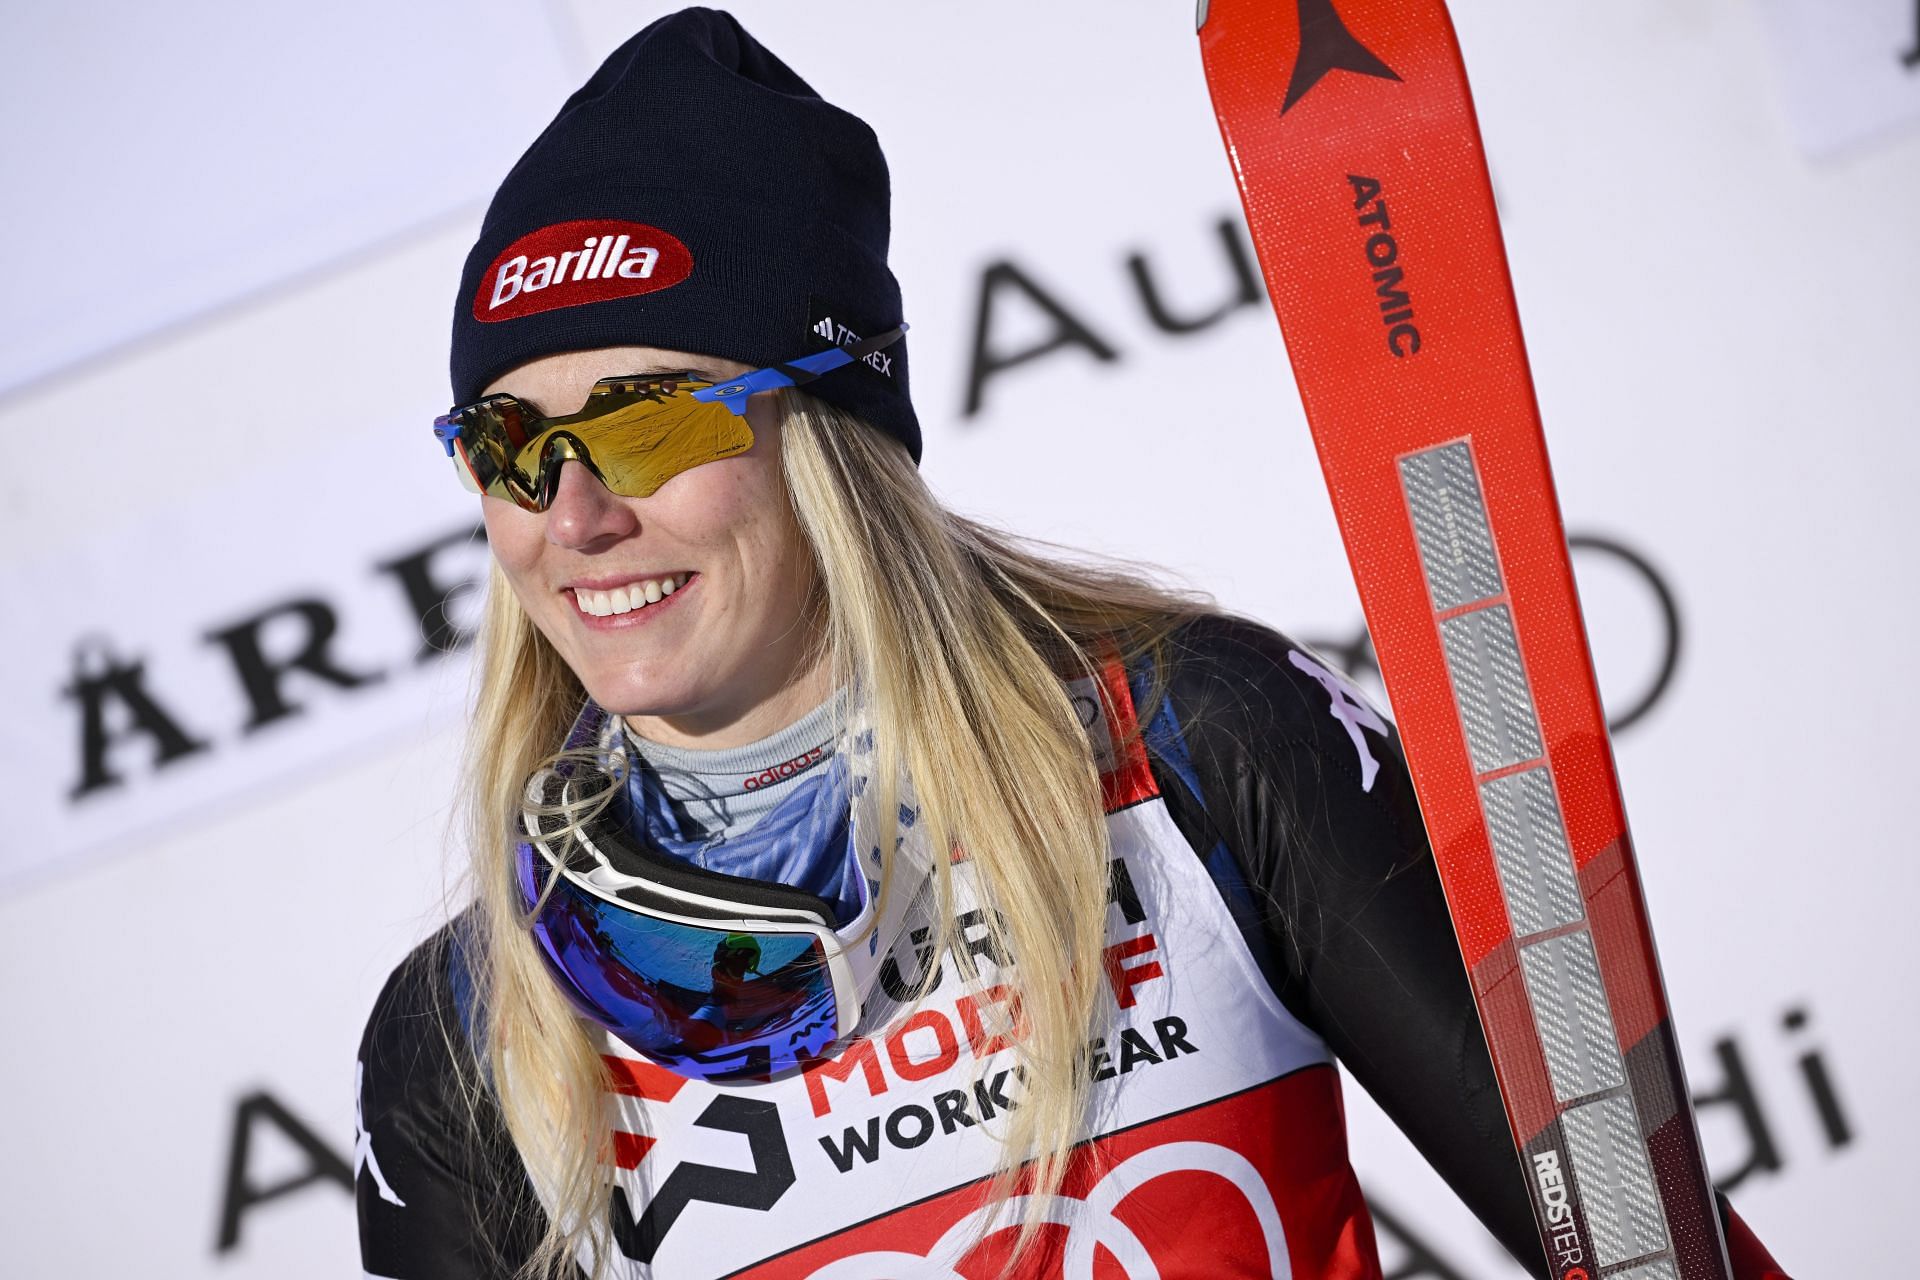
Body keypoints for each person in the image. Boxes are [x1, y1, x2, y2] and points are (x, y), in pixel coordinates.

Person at [356, 9, 1791, 1279]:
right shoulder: (473, 1030)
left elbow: (1630, 1226)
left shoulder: (1193, 748)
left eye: (649, 416)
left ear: (833, 444)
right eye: (510, 446)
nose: (578, 512)